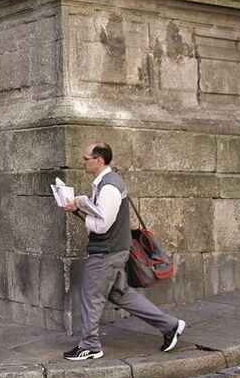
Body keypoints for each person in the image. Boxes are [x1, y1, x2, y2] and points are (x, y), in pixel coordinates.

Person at [60, 143, 185, 360]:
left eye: (86, 158)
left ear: (99, 160)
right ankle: (170, 325)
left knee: (91, 295)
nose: (83, 161)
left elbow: (101, 226)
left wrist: (77, 210)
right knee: (119, 293)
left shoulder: (109, 187)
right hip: (114, 249)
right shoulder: (104, 182)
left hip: (107, 251)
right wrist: (79, 206)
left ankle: (90, 345)